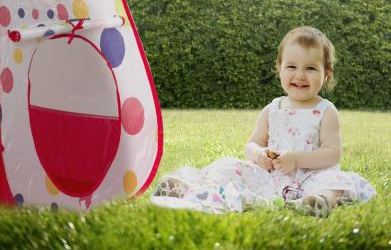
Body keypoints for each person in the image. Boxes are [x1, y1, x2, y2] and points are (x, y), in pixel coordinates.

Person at [151, 26, 376, 216]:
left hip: (310, 176)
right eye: (291, 67)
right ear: (279, 68)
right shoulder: (273, 109)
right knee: (227, 166)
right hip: (271, 176)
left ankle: (317, 202)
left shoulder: (325, 111)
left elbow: (331, 154)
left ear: (326, 73)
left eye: (310, 68)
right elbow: (252, 144)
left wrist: (297, 159)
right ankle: (191, 189)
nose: (299, 75)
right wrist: (259, 154)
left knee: (335, 180)